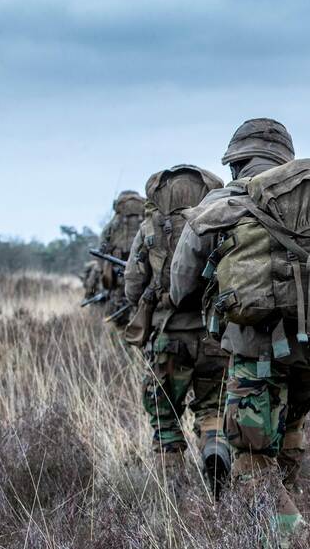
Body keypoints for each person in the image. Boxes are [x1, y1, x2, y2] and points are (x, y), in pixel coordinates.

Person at [170, 118, 310, 546]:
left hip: (257, 355)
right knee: (290, 429)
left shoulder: (229, 199)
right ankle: (289, 509)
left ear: (236, 162)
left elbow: (181, 285)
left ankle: (285, 536)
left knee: (252, 457)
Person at [123, 165, 231, 492]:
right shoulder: (222, 221)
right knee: (214, 410)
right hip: (215, 337)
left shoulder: (150, 228)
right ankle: (214, 449)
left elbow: (132, 284)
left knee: (165, 420)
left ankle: (174, 498)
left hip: (169, 339)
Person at [99, 190, 145, 327]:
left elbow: (103, 246)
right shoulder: (145, 218)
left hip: (118, 269)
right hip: (141, 267)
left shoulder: (114, 223)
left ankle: (120, 332)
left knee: (119, 299)